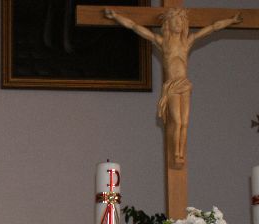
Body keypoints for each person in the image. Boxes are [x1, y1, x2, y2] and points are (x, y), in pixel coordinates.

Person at [103, 8, 242, 170]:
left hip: (185, 84)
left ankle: (180, 153)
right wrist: (116, 16)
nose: (178, 23)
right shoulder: (162, 42)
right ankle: (175, 153)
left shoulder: (187, 42)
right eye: (175, 20)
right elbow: (134, 26)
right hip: (172, 86)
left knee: (185, 122)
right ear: (168, 23)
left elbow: (212, 28)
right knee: (177, 121)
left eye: (181, 20)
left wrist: (232, 21)